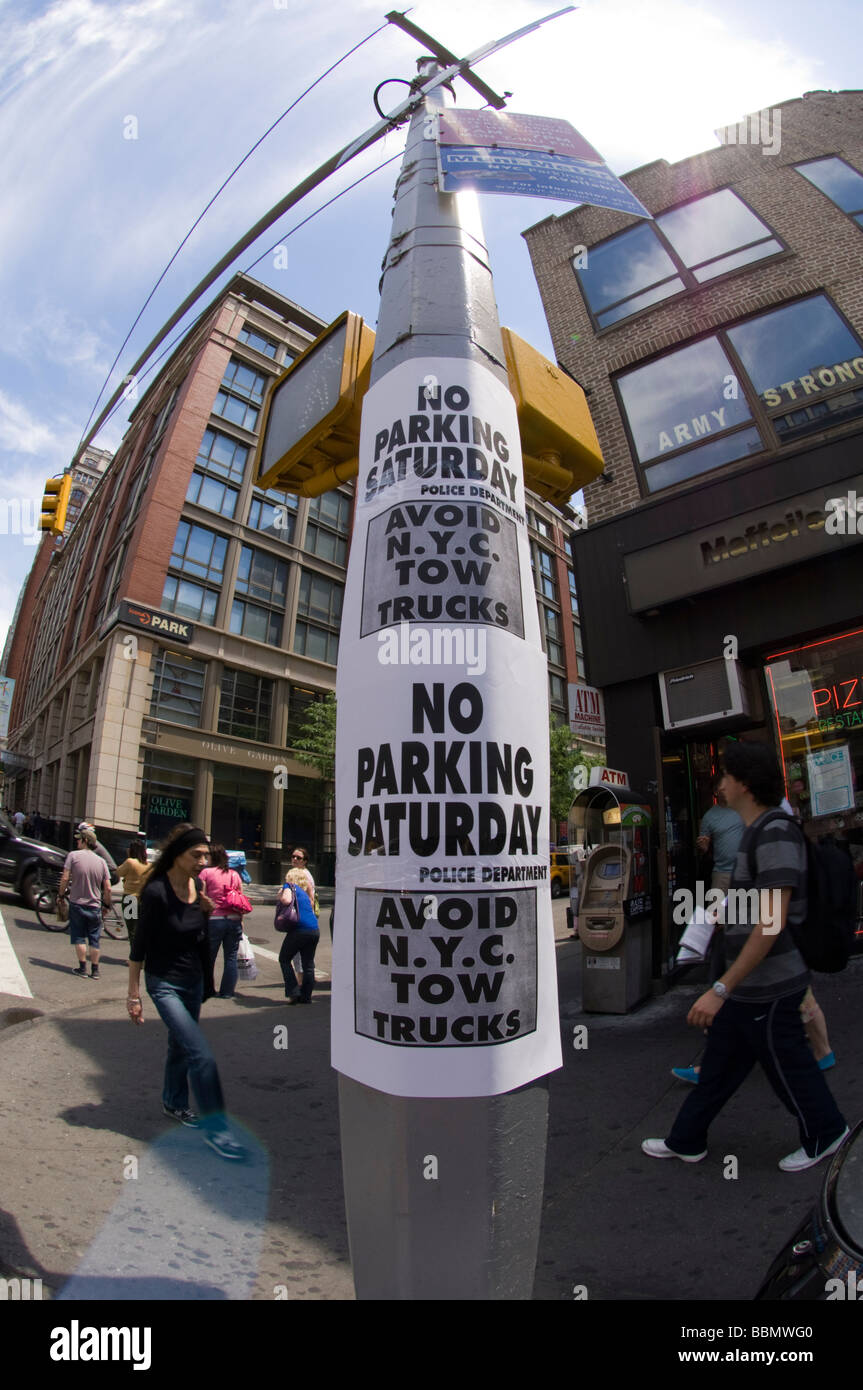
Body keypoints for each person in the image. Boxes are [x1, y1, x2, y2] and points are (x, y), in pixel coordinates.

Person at [643, 741, 848, 1173]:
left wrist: (721, 987)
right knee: (720, 1065)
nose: (719, 784)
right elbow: (755, 908)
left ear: (745, 784)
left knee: (787, 1064)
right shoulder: (757, 831)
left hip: (770, 983)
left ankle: (826, 1133)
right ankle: (686, 1139)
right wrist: (716, 916)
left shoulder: (773, 831)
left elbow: (771, 922)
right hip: (753, 984)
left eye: (726, 776)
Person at [127, 824, 247, 1162]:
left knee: (180, 1045)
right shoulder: (156, 892)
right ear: (177, 854)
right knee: (200, 1054)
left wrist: (206, 913)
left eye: (206, 855)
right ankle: (219, 1132)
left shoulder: (197, 886)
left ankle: (173, 1102)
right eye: (197, 855)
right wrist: (134, 995)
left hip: (192, 981)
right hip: (163, 983)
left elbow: (197, 941)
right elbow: (140, 945)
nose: (203, 861)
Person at [58, 828, 113, 978]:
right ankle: (95, 970)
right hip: (95, 906)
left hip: (77, 903)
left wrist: (61, 895)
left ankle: (82, 968)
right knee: (94, 939)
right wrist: (107, 905)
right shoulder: (101, 862)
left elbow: (64, 878)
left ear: (85, 841)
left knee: (79, 937)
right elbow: (107, 887)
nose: (77, 841)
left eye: (79, 839)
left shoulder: (73, 856)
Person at [199, 843, 247, 1000]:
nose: (205, 859)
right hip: (234, 919)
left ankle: (208, 989)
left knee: (208, 956)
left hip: (214, 919)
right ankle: (227, 992)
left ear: (212, 857)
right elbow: (240, 898)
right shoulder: (234, 874)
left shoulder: (206, 872)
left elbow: (201, 895)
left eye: (207, 856)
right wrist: (241, 920)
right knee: (231, 957)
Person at [277, 866, 319, 1005]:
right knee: (308, 964)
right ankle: (306, 997)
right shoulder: (305, 893)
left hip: (299, 930)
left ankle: (293, 992)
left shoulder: (289, 886)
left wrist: (281, 893)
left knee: (284, 958)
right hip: (313, 930)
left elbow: (286, 900)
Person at [115, 838, 149, 952]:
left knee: (132, 930)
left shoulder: (130, 862)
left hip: (130, 898)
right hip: (143, 899)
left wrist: (128, 856)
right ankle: (142, 955)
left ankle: (135, 956)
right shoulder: (148, 865)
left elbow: (118, 872)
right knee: (141, 929)